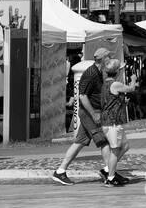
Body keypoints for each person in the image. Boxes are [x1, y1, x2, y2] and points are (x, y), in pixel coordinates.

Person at [51, 47, 111, 186]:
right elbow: (82, 96)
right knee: (104, 141)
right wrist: (94, 113)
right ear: (102, 59)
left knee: (79, 142)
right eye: (108, 57)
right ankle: (109, 172)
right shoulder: (91, 74)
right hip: (89, 113)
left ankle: (60, 171)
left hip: (90, 112)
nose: (110, 58)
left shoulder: (99, 71)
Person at [100, 58, 140, 186]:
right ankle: (110, 177)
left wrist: (122, 101)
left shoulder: (106, 83)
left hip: (111, 121)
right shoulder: (115, 84)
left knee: (125, 146)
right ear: (117, 71)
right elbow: (131, 89)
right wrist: (133, 79)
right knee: (115, 150)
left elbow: (111, 100)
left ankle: (107, 170)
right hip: (112, 122)